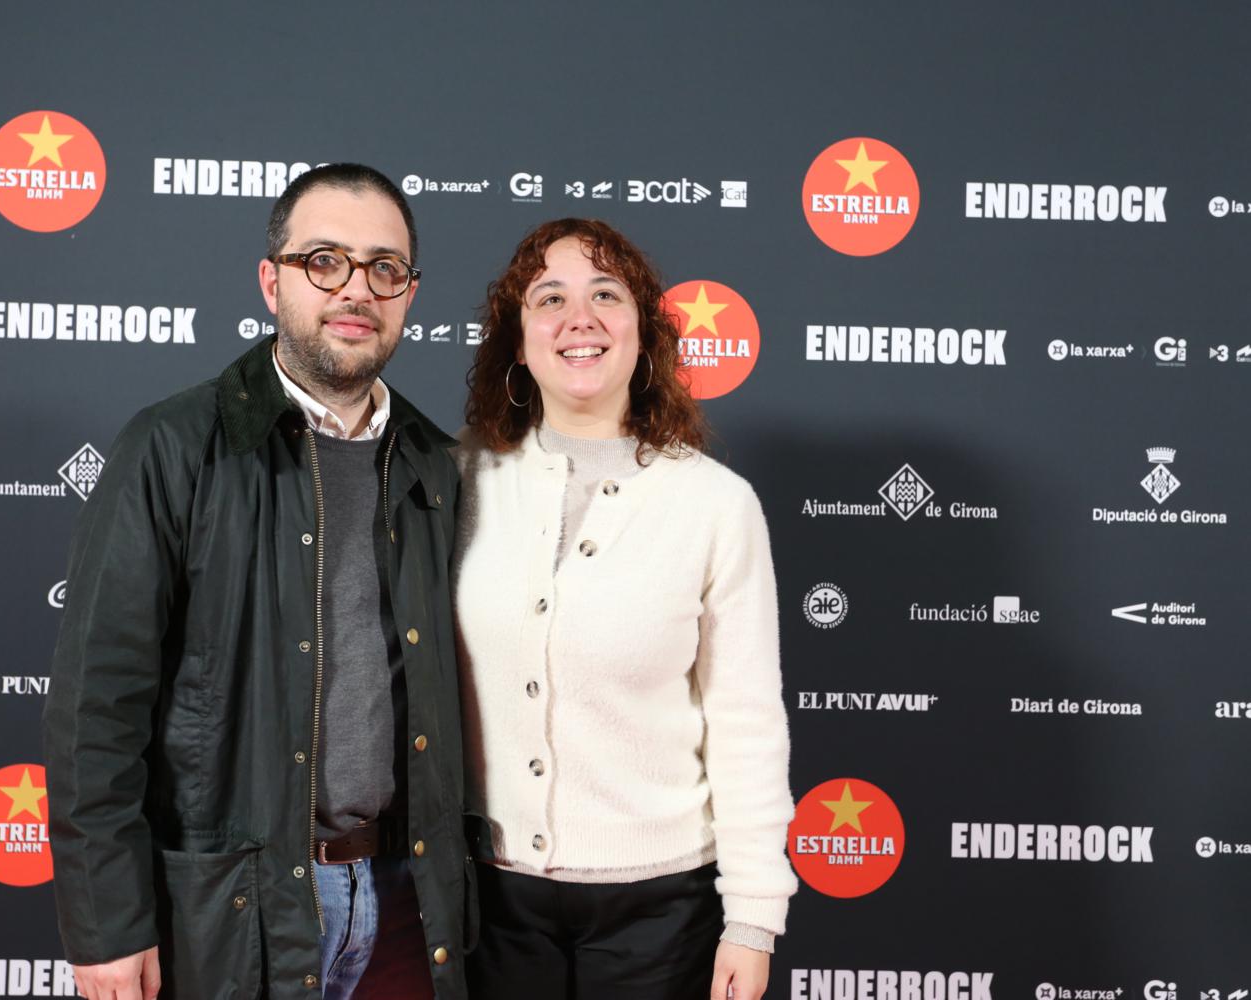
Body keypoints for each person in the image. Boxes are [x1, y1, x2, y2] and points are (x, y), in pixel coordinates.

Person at [43, 163, 474, 1000]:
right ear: (272, 281)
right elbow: (96, 709)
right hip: (238, 911)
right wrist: (108, 924)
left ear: (410, 295)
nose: (356, 289)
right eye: (325, 261)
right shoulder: (173, 447)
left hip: (405, 906)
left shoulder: (439, 465)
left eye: (384, 268)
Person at [453, 218, 797, 1000]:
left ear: (644, 336)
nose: (580, 318)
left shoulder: (716, 505)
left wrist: (753, 919)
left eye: (606, 295)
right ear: (517, 342)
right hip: (488, 907)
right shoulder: (455, 480)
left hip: (663, 912)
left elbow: (746, 723)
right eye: (551, 298)